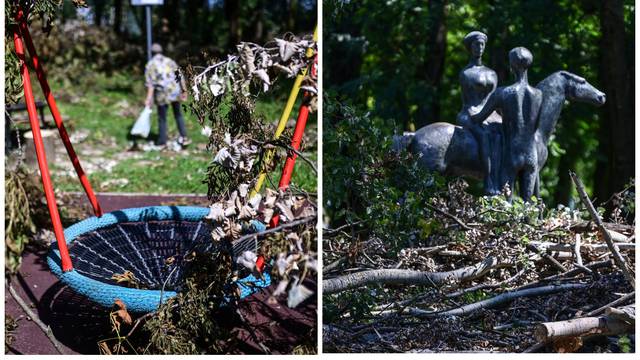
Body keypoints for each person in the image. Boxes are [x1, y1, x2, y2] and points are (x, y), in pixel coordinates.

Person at [463, 47, 543, 200]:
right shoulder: (539, 94)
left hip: (511, 153)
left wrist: (470, 116)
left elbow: (479, 118)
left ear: (511, 66)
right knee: (528, 205)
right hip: (531, 153)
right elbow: (536, 126)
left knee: (505, 203)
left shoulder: (502, 93)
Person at [456, 31, 500, 194]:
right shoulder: (466, 73)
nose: (479, 48)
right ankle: (488, 180)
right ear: (470, 47)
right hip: (470, 112)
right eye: (476, 44)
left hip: (490, 113)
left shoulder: (492, 73)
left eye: (482, 44)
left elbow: (493, 99)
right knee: (484, 135)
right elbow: (468, 101)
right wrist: (479, 115)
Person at [144, 43, 191, 147]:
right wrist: (184, 90)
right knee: (178, 115)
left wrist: (148, 99)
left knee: (162, 117)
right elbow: (180, 75)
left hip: (162, 94)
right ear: (161, 51)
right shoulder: (170, 61)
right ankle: (184, 137)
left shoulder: (150, 65)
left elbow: (150, 84)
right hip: (174, 91)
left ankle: (162, 142)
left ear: (151, 53)